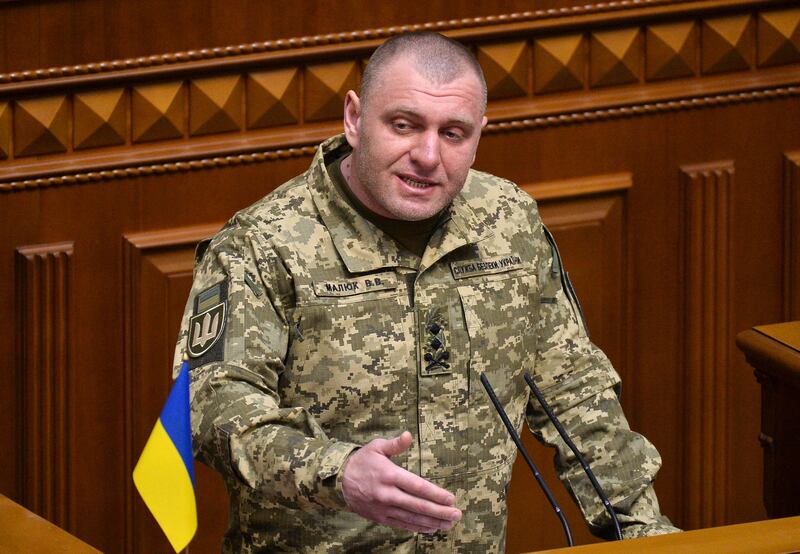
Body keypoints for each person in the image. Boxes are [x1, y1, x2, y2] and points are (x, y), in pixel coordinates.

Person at [174, 31, 679, 553]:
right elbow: (214, 408)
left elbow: (573, 390)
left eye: (453, 133)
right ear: (354, 118)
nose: (427, 155)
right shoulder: (263, 245)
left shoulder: (508, 220)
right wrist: (337, 472)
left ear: (479, 134)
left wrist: (644, 531)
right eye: (403, 125)